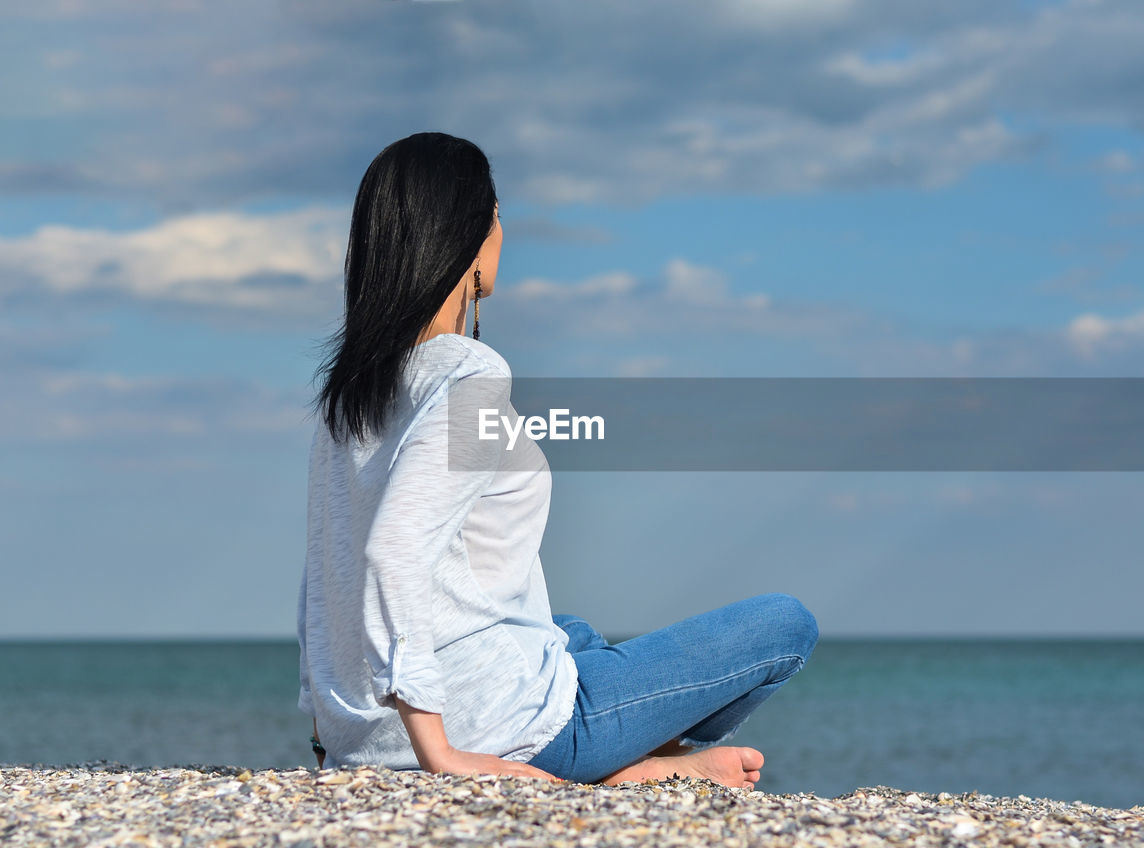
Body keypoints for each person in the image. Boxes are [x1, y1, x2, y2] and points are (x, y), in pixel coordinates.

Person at [297, 131, 819, 789]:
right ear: (468, 239)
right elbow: (390, 552)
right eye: (495, 215)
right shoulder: (468, 376)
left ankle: (625, 745)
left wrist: (329, 732)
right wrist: (443, 758)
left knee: (564, 628)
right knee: (786, 624)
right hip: (503, 731)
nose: (502, 230)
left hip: (365, 732)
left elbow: (329, 574)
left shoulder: (347, 393)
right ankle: (639, 764)